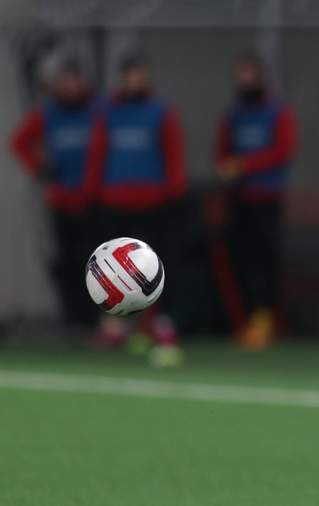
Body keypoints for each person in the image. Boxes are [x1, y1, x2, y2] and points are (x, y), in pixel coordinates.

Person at [84, 51, 187, 366]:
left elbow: (173, 153)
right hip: (115, 201)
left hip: (153, 202)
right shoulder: (108, 112)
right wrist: (92, 192)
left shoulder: (160, 112)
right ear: (123, 77)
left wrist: (174, 191)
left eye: (141, 74)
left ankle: (162, 329)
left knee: (155, 268)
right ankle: (116, 328)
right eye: (131, 74)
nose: (136, 80)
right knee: (111, 268)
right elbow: (98, 153)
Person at [215, 53, 298, 350]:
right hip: (240, 199)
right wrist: (227, 168)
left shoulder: (278, 111)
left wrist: (245, 165)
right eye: (241, 74)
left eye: (250, 74)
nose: (246, 80)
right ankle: (246, 320)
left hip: (267, 198)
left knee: (266, 260)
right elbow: (222, 151)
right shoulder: (233, 114)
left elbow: (284, 150)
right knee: (242, 260)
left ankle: (266, 320)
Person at [10, 56, 98, 330]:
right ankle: (74, 318)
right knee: (65, 260)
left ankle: (98, 318)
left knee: (96, 261)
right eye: (66, 81)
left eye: (75, 80)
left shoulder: (96, 112)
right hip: (61, 199)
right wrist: (40, 167)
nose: (71, 86)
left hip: (93, 200)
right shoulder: (48, 114)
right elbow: (18, 142)